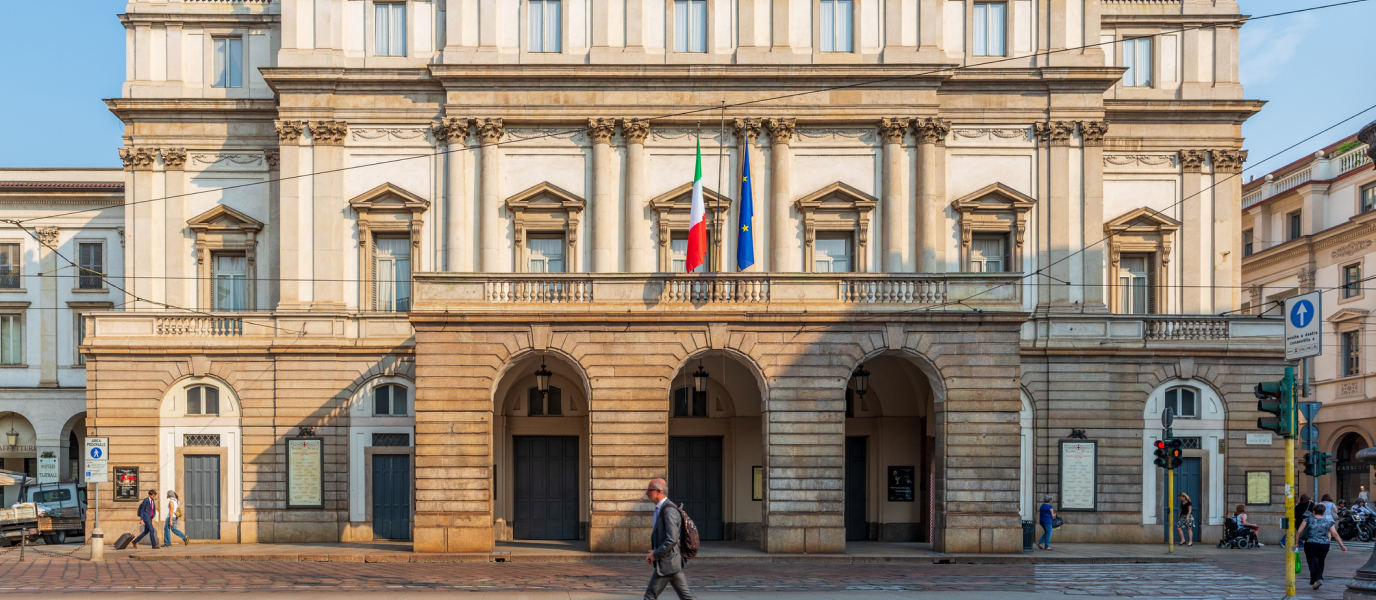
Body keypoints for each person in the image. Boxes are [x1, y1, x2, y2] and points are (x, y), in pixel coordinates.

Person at [642, 478, 695, 600]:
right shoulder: (662, 509)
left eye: (649, 490)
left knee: (649, 597)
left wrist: (656, 553)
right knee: (687, 597)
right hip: (671, 561)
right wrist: (653, 552)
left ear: (659, 491)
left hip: (667, 563)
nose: (646, 493)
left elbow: (671, 539)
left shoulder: (669, 511)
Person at [1295, 503, 1347, 590]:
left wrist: (1297, 542)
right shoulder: (1329, 522)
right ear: (1323, 513)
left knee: (1312, 561)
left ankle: (1318, 579)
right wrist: (1341, 545)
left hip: (1311, 543)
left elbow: (1299, 532)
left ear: (1313, 512)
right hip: (1324, 544)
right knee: (1320, 561)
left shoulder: (1307, 520)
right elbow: (1334, 533)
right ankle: (1315, 581)